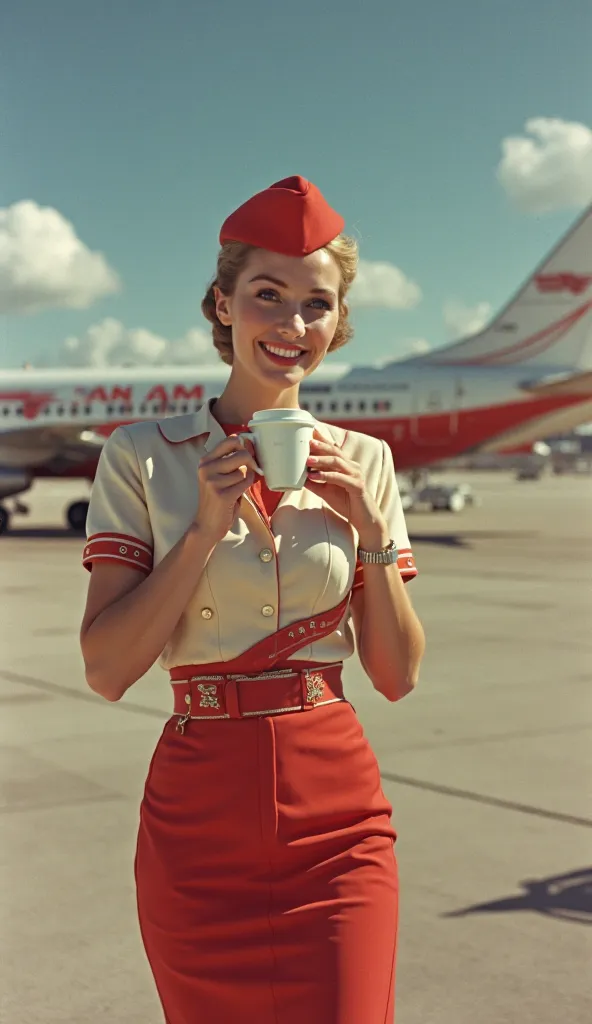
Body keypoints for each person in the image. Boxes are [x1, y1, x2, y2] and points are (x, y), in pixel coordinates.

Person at [79, 175, 425, 1024]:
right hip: (199, 814)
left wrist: (374, 531)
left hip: (335, 812)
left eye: (317, 304)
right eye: (267, 295)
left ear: (337, 325)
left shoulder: (366, 461)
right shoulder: (140, 456)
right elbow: (107, 670)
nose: (291, 324)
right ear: (223, 305)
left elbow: (396, 675)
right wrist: (201, 531)